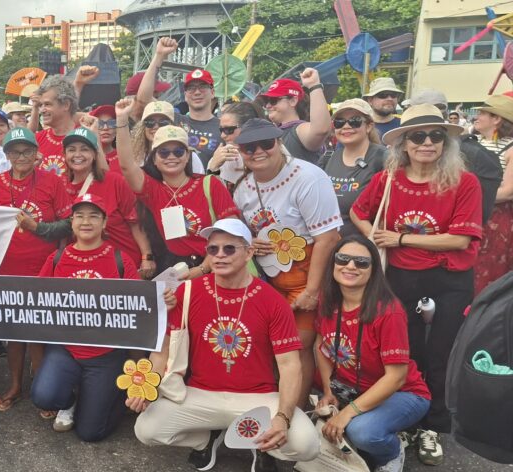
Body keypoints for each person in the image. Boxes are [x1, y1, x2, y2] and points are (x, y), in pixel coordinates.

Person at [350, 104, 482, 466]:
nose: (427, 143)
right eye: (417, 136)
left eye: (435, 136)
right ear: (403, 143)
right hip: (399, 277)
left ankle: (433, 427)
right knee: (402, 354)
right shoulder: (388, 179)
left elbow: (459, 240)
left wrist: (399, 239)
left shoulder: (462, 182)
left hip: (448, 279)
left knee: (439, 354)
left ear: (445, 142)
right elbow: (358, 212)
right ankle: (406, 418)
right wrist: (374, 237)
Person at [132, 219, 320, 472]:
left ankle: (258, 443)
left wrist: (283, 417)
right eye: (213, 249)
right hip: (199, 394)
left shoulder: (273, 301)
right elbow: (163, 349)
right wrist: (146, 387)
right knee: (146, 431)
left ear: (249, 252)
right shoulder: (187, 292)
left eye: (229, 249)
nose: (219, 255)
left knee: (306, 444)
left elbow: (290, 366)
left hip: (258, 397)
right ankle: (205, 439)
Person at [232, 118, 343, 399]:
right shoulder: (243, 187)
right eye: (248, 147)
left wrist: (312, 290)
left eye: (266, 143)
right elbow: (240, 232)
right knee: (266, 345)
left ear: (279, 143)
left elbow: (328, 238)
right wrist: (249, 240)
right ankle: (271, 403)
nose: (258, 151)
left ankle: (294, 410)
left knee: (296, 345)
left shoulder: (308, 177)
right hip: (267, 279)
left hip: (306, 276)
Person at [314, 235, 431, 472]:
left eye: (361, 262)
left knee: (362, 432)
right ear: (333, 263)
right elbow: (322, 345)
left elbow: (396, 377)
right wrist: (328, 390)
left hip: (403, 392)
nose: (350, 266)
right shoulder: (328, 300)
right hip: (355, 387)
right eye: (343, 258)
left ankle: (392, 451)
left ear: (374, 270)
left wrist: (346, 413)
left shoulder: (388, 311)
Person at [31, 194, 140, 440]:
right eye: (79, 216)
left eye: (93, 216)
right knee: (43, 397)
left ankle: (114, 395)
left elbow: (140, 306)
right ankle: (69, 400)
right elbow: (33, 300)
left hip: (106, 354)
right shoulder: (58, 259)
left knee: (91, 433)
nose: (86, 221)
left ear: (104, 223)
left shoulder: (121, 260)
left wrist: (163, 300)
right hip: (66, 349)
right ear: (71, 222)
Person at [0, 127, 72, 413]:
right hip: (7, 267)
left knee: (38, 329)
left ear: (37, 154)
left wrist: (37, 227)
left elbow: (68, 224)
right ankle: (15, 386)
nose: (21, 156)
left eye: (27, 151)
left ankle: (40, 387)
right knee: (14, 331)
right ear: (6, 155)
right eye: (14, 151)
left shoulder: (52, 181)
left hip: (42, 266)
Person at [115, 98, 240, 278]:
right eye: (164, 152)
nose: (171, 157)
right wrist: (121, 119)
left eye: (178, 151)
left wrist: (203, 268)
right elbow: (126, 165)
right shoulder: (154, 190)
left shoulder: (210, 184)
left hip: (215, 266)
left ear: (188, 156)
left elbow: (231, 228)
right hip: (174, 269)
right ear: (155, 160)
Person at [61, 125, 153, 276]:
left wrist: (147, 256)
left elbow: (135, 223)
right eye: (71, 149)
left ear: (95, 154)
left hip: (122, 265)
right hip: (84, 268)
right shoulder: (60, 186)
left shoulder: (114, 181)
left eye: (84, 149)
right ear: (64, 155)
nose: (78, 154)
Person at [403, 89, 502, 225]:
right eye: (417, 137)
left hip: (455, 238)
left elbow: (478, 217)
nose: (427, 143)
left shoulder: (476, 155)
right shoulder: (398, 158)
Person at [318, 99, 387, 237]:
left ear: (368, 126)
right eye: (339, 122)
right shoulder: (328, 158)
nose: (346, 126)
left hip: (365, 248)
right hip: (330, 246)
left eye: (355, 121)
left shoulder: (384, 158)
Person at [469, 94, 513, 293]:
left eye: (482, 113)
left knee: (488, 272)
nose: (476, 117)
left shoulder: (512, 148)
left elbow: (508, 192)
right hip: (468, 216)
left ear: (497, 119)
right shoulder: (471, 142)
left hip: (494, 221)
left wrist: (466, 197)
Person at [259, 69, 331, 164]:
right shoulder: (274, 132)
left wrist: (314, 85)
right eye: (266, 101)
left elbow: (320, 130)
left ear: (293, 101)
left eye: (273, 100)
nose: (268, 106)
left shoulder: (299, 129)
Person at [32, 76, 81, 176]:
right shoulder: (37, 140)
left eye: (48, 104)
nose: (42, 110)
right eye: (41, 105)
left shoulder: (86, 138)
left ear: (66, 105)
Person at [206, 101, 263, 180]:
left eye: (228, 130)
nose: (222, 135)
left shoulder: (272, 152)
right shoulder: (221, 159)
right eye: (221, 130)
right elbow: (210, 191)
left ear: (249, 127)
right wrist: (213, 168)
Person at [181, 68, 222, 166]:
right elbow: (142, 101)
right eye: (191, 88)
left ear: (212, 92)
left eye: (202, 87)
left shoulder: (224, 128)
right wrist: (159, 57)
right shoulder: (175, 120)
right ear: (185, 95)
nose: (197, 92)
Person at [89, 105, 120, 172]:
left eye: (111, 123)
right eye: (99, 123)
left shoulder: (125, 158)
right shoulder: (85, 158)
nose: (105, 128)